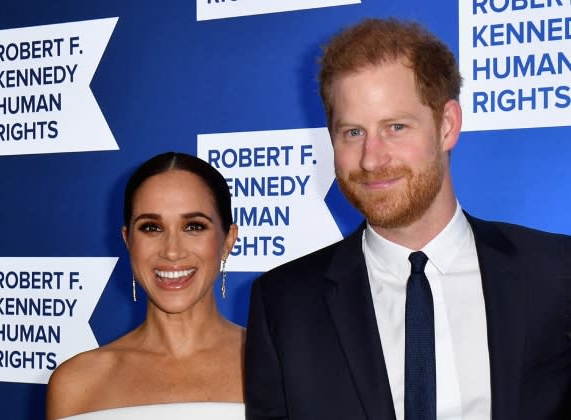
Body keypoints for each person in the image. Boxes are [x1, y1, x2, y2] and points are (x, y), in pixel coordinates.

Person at [244, 18, 571, 420]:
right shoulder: (283, 304)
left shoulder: (557, 273)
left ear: (447, 125)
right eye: (352, 133)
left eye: (395, 127)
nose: (371, 158)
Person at [46, 152, 245, 419]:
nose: (172, 251)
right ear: (128, 241)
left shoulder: (279, 365)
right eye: (151, 227)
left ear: (228, 240)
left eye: (194, 226)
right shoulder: (76, 383)